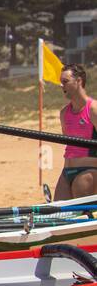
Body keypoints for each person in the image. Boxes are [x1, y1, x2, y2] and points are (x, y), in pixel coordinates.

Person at [56, 64, 97, 200]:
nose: (61, 86)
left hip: (87, 171)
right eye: (61, 82)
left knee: (82, 215)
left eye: (65, 82)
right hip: (66, 171)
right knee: (56, 213)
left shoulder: (93, 109)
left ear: (79, 81)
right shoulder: (63, 113)